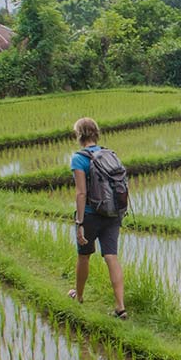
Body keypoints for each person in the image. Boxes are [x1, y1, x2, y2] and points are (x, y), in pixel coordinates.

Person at [69, 117, 127, 319]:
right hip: (112, 213)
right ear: (96, 133)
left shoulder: (78, 159)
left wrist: (80, 222)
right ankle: (120, 306)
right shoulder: (110, 154)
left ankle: (79, 296)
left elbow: (81, 193)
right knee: (111, 256)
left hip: (91, 214)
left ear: (79, 135)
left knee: (84, 255)